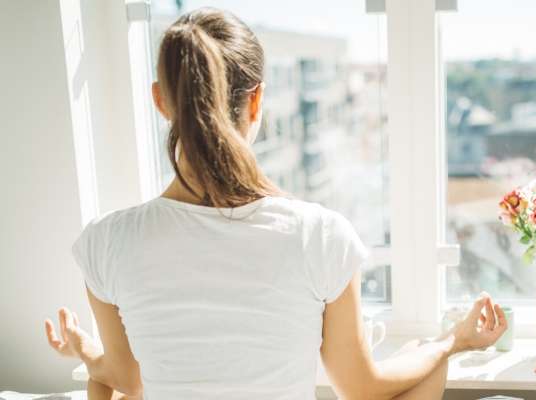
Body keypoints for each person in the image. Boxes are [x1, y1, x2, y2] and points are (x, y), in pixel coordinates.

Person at [42, 8, 507, 400]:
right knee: (422, 365)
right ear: (257, 99)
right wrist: (449, 341)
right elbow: (362, 387)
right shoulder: (317, 234)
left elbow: (128, 378)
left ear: (161, 102)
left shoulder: (106, 242)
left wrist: (88, 355)